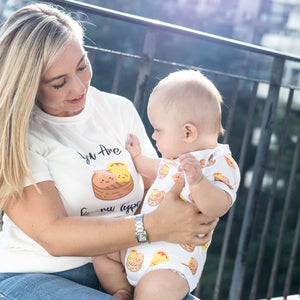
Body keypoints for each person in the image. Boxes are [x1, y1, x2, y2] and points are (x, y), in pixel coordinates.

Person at [0, 4, 218, 300]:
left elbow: (157, 190)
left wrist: (196, 209)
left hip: (127, 266)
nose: (79, 87)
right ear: (28, 85)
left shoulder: (119, 110)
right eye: (58, 82)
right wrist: (151, 227)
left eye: (81, 65)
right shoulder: (18, 134)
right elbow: (53, 235)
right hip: (36, 274)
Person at [94, 69, 240, 299]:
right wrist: (136, 157)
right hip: (136, 247)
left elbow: (218, 206)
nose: (154, 136)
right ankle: (121, 289)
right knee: (102, 252)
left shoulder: (219, 163)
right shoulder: (174, 160)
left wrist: (199, 181)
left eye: (158, 129)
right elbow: (153, 168)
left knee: (153, 292)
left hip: (170, 266)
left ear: (188, 132)